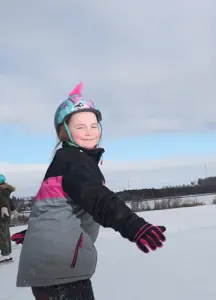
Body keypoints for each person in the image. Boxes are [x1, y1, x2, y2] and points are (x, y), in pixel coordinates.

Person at [15, 82, 167, 299]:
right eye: (80, 127)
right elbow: (99, 199)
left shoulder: (63, 161)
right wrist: (135, 226)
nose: (89, 132)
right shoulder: (76, 162)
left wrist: (37, 234)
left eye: (94, 125)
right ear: (64, 131)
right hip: (61, 266)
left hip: (47, 264)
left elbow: (51, 207)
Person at [0, 174, 16, 263]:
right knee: (6, 234)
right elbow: (9, 202)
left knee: (2, 235)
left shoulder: (1, 191)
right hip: (5, 216)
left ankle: (5, 254)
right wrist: (13, 210)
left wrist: (4, 207)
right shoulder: (5, 191)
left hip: (1, 216)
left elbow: (3, 201)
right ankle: (7, 253)